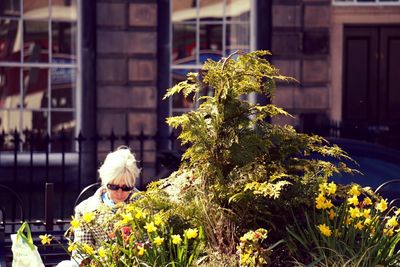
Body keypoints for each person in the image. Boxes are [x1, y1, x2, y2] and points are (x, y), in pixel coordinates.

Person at [68, 146, 141, 265]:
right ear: (104, 181)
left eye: (126, 188)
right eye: (113, 187)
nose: (119, 193)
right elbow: (81, 252)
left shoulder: (144, 205)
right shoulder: (86, 209)